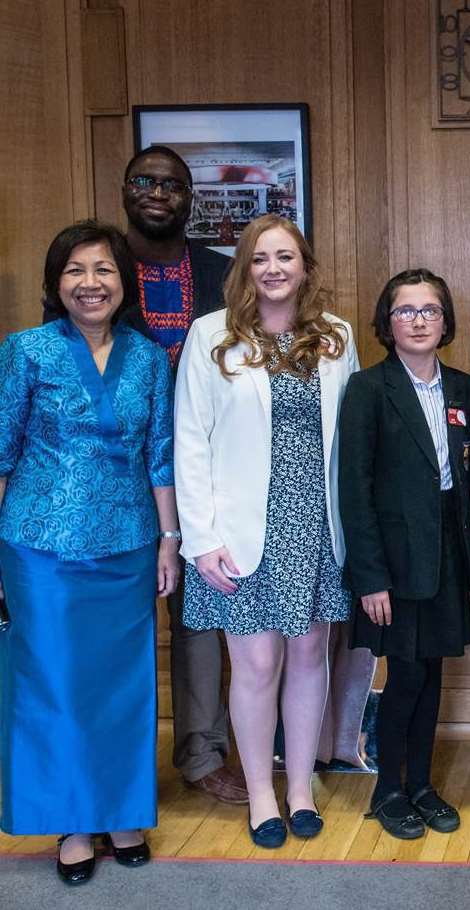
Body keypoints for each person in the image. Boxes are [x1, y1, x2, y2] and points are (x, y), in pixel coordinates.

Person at [0, 221, 179, 884]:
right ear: (55, 284)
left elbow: (159, 455)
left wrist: (169, 541)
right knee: (55, 686)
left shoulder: (148, 356)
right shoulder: (26, 352)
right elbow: (0, 453)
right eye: (75, 271)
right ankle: (73, 822)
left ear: (123, 283)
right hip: (40, 546)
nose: (90, 283)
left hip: (130, 544)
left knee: (121, 687)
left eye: (103, 270)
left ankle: (121, 811)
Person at [174, 214, 359, 848]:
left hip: (315, 524)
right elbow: (190, 442)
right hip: (240, 531)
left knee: (309, 657)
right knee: (254, 665)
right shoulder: (211, 337)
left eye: (286, 257)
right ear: (244, 269)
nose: (274, 269)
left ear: (305, 267)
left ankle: (301, 787)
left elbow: (348, 442)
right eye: (260, 259)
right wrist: (200, 539)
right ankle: (260, 795)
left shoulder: (334, 336)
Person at [340, 269, 470, 840]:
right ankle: (389, 789)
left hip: (448, 558)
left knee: (433, 675)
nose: (419, 319)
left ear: (446, 321)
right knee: (404, 676)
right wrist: (370, 578)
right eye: (406, 310)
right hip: (395, 567)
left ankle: (422, 785)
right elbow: (354, 489)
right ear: (388, 322)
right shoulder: (369, 390)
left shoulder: (463, 389)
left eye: (430, 309)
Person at [121, 144, 246, 805]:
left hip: (203, 466)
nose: (157, 192)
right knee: (118, 618)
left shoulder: (222, 274)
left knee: (199, 614)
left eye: (171, 184)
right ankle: (122, 762)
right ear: (125, 191)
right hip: (114, 470)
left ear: (189, 197)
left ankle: (201, 756)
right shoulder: (100, 266)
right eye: (144, 180)